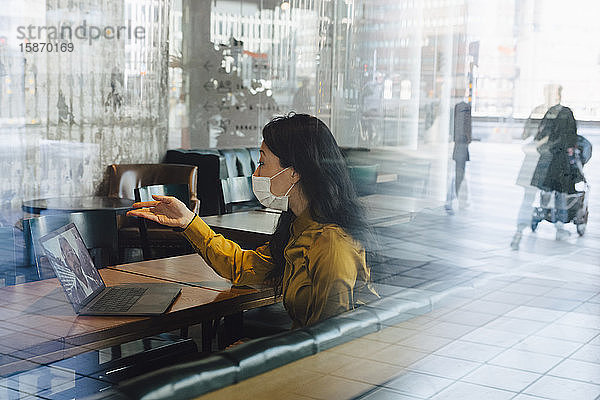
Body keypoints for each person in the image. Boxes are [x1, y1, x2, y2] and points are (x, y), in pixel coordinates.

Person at [128, 114, 374, 328]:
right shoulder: (299, 228)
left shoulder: (330, 244)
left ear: (294, 172)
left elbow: (330, 339)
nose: (256, 174)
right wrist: (189, 222)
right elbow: (243, 267)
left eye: (262, 163)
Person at [511, 84, 561, 249]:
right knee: (545, 195)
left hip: (536, 158)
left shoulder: (539, 111)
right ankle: (555, 227)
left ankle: (520, 230)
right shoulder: (556, 112)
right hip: (542, 159)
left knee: (531, 196)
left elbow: (526, 134)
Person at [529, 97, 578, 241]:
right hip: (561, 161)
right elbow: (572, 136)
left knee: (546, 190)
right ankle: (560, 223)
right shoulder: (566, 114)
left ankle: (541, 214)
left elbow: (540, 134)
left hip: (548, 159)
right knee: (560, 192)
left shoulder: (550, 113)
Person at [59, 236, 94, 305]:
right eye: (68, 256)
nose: (73, 259)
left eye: (72, 253)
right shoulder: (73, 294)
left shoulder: (93, 281)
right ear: (67, 264)